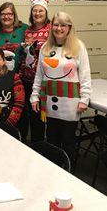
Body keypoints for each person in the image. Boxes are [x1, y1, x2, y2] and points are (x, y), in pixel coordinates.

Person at [30, 11, 91, 166]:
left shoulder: (78, 47)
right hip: (49, 102)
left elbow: (85, 75)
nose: (59, 28)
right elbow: (39, 75)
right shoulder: (45, 47)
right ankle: (54, 170)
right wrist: (34, 96)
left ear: (69, 28)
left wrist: (84, 99)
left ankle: (69, 172)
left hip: (70, 104)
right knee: (51, 140)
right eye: (56, 25)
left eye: (63, 25)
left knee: (68, 141)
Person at [19, 0, 51, 143]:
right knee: (27, 113)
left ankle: (39, 145)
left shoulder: (51, 29)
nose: (37, 14)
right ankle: (28, 142)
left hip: (42, 80)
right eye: (34, 11)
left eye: (40, 11)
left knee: (38, 115)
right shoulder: (28, 31)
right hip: (26, 77)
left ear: (46, 12)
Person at [0, 2, 28, 73]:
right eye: (3, 14)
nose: (6, 17)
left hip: (20, 75)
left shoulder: (24, 29)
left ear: (14, 16)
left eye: (9, 14)